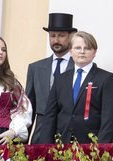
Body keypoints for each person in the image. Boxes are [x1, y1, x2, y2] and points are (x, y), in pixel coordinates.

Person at [38, 31, 113, 144]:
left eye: (87, 48)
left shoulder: (106, 79)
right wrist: (45, 147)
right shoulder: (60, 79)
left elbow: (109, 118)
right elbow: (50, 116)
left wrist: (101, 149)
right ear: (71, 51)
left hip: (91, 146)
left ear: (94, 52)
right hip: (62, 145)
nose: (82, 52)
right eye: (77, 48)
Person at [26, 13, 78, 143]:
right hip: (41, 135)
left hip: (69, 135)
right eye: (52, 35)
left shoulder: (79, 67)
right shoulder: (35, 68)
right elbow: (29, 109)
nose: (56, 40)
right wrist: (22, 144)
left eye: (61, 36)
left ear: (70, 37)